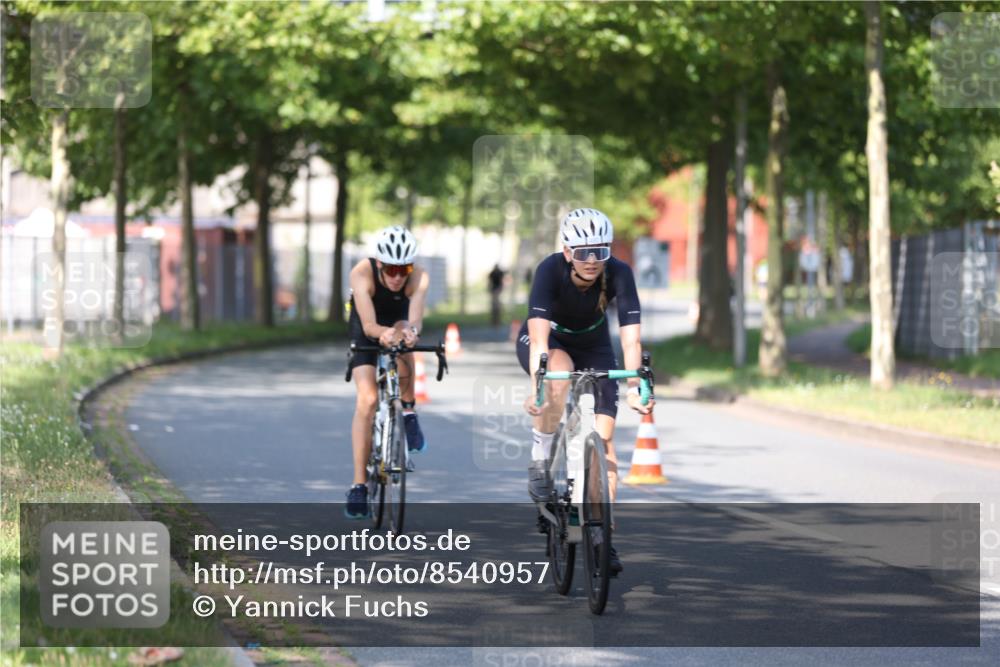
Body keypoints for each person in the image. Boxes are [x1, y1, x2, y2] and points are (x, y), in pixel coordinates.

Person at [516, 208, 654, 575]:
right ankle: (541, 457)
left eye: (600, 251)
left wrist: (635, 387)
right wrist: (537, 389)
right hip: (550, 342)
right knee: (559, 373)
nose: (592, 260)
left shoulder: (619, 273)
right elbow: (539, 341)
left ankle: (600, 534)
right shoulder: (550, 270)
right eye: (582, 252)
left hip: (595, 346)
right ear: (567, 252)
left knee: (603, 440)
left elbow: (631, 339)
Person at [345, 225, 430, 519]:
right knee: (368, 399)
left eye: (403, 269)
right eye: (391, 270)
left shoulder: (419, 276)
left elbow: (414, 320)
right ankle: (359, 485)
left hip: (398, 320)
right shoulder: (361, 273)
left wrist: (410, 333)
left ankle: (408, 411)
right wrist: (383, 334)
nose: (397, 277)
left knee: (405, 340)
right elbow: (369, 326)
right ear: (379, 264)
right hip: (367, 325)